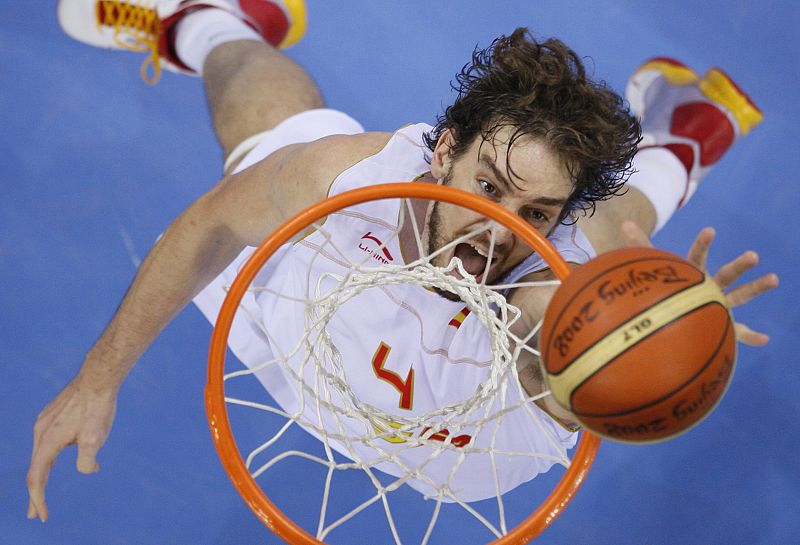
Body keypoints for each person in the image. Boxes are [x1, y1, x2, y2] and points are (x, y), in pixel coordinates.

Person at [29, 0, 778, 520]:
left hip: (457, 440)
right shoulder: (349, 175)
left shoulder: (554, 290)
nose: (498, 230)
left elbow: (562, 354)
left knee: (618, 228)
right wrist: (97, 378)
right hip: (308, 325)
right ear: (442, 151)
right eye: (489, 187)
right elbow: (210, 224)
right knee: (262, 125)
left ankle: (679, 141)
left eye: (537, 214)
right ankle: (209, 21)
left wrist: (664, 324)